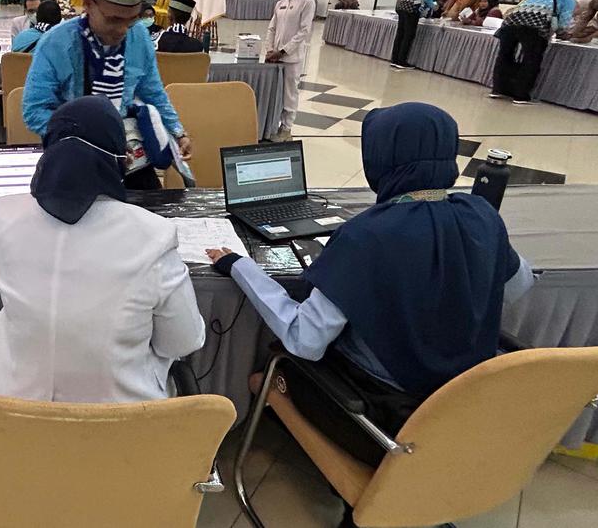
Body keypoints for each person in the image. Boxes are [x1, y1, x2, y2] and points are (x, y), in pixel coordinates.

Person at [207, 102, 535, 467]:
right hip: (463, 404)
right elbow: (518, 286)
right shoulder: (482, 215)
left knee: (278, 358)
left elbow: (305, 340)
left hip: (387, 416)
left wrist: (239, 267)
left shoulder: (367, 236)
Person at [0, 96, 206, 402]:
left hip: (9, 415)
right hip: (120, 428)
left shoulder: (2, 215)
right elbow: (182, 341)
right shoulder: (153, 237)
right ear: (122, 158)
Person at [23, 0, 191, 190]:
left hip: (128, 156)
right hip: (73, 155)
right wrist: (90, 139)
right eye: (113, 19)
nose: (122, 30)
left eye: (131, 20)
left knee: (154, 215)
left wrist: (178, 131)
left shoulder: (138, 37)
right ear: (88, 3)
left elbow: (153, 92)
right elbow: (35, 111)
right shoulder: (57, 43)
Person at [489, 0, 581, 105]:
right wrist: (565, 35)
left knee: (505, 56)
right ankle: (521, 96)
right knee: (531, 60)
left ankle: (498, 89)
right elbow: (563, 23)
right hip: (534, 25)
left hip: (510, 21)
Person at [264, 0, 315, 142]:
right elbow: (272, 28)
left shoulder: (307, 2)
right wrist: (270, 50)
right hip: (275, 57)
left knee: (290, 93)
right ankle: (272, 125)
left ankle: (286, 129)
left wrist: (284, 51)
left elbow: (304, 31)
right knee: (275, 93)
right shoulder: (281, 3)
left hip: (291, 58)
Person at [389, 0, 447, 70]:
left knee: (400, 33)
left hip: (402, 5)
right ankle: (402, 61)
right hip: (412, 7)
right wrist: (435, 7)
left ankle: (394, 59)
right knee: (409, 34)